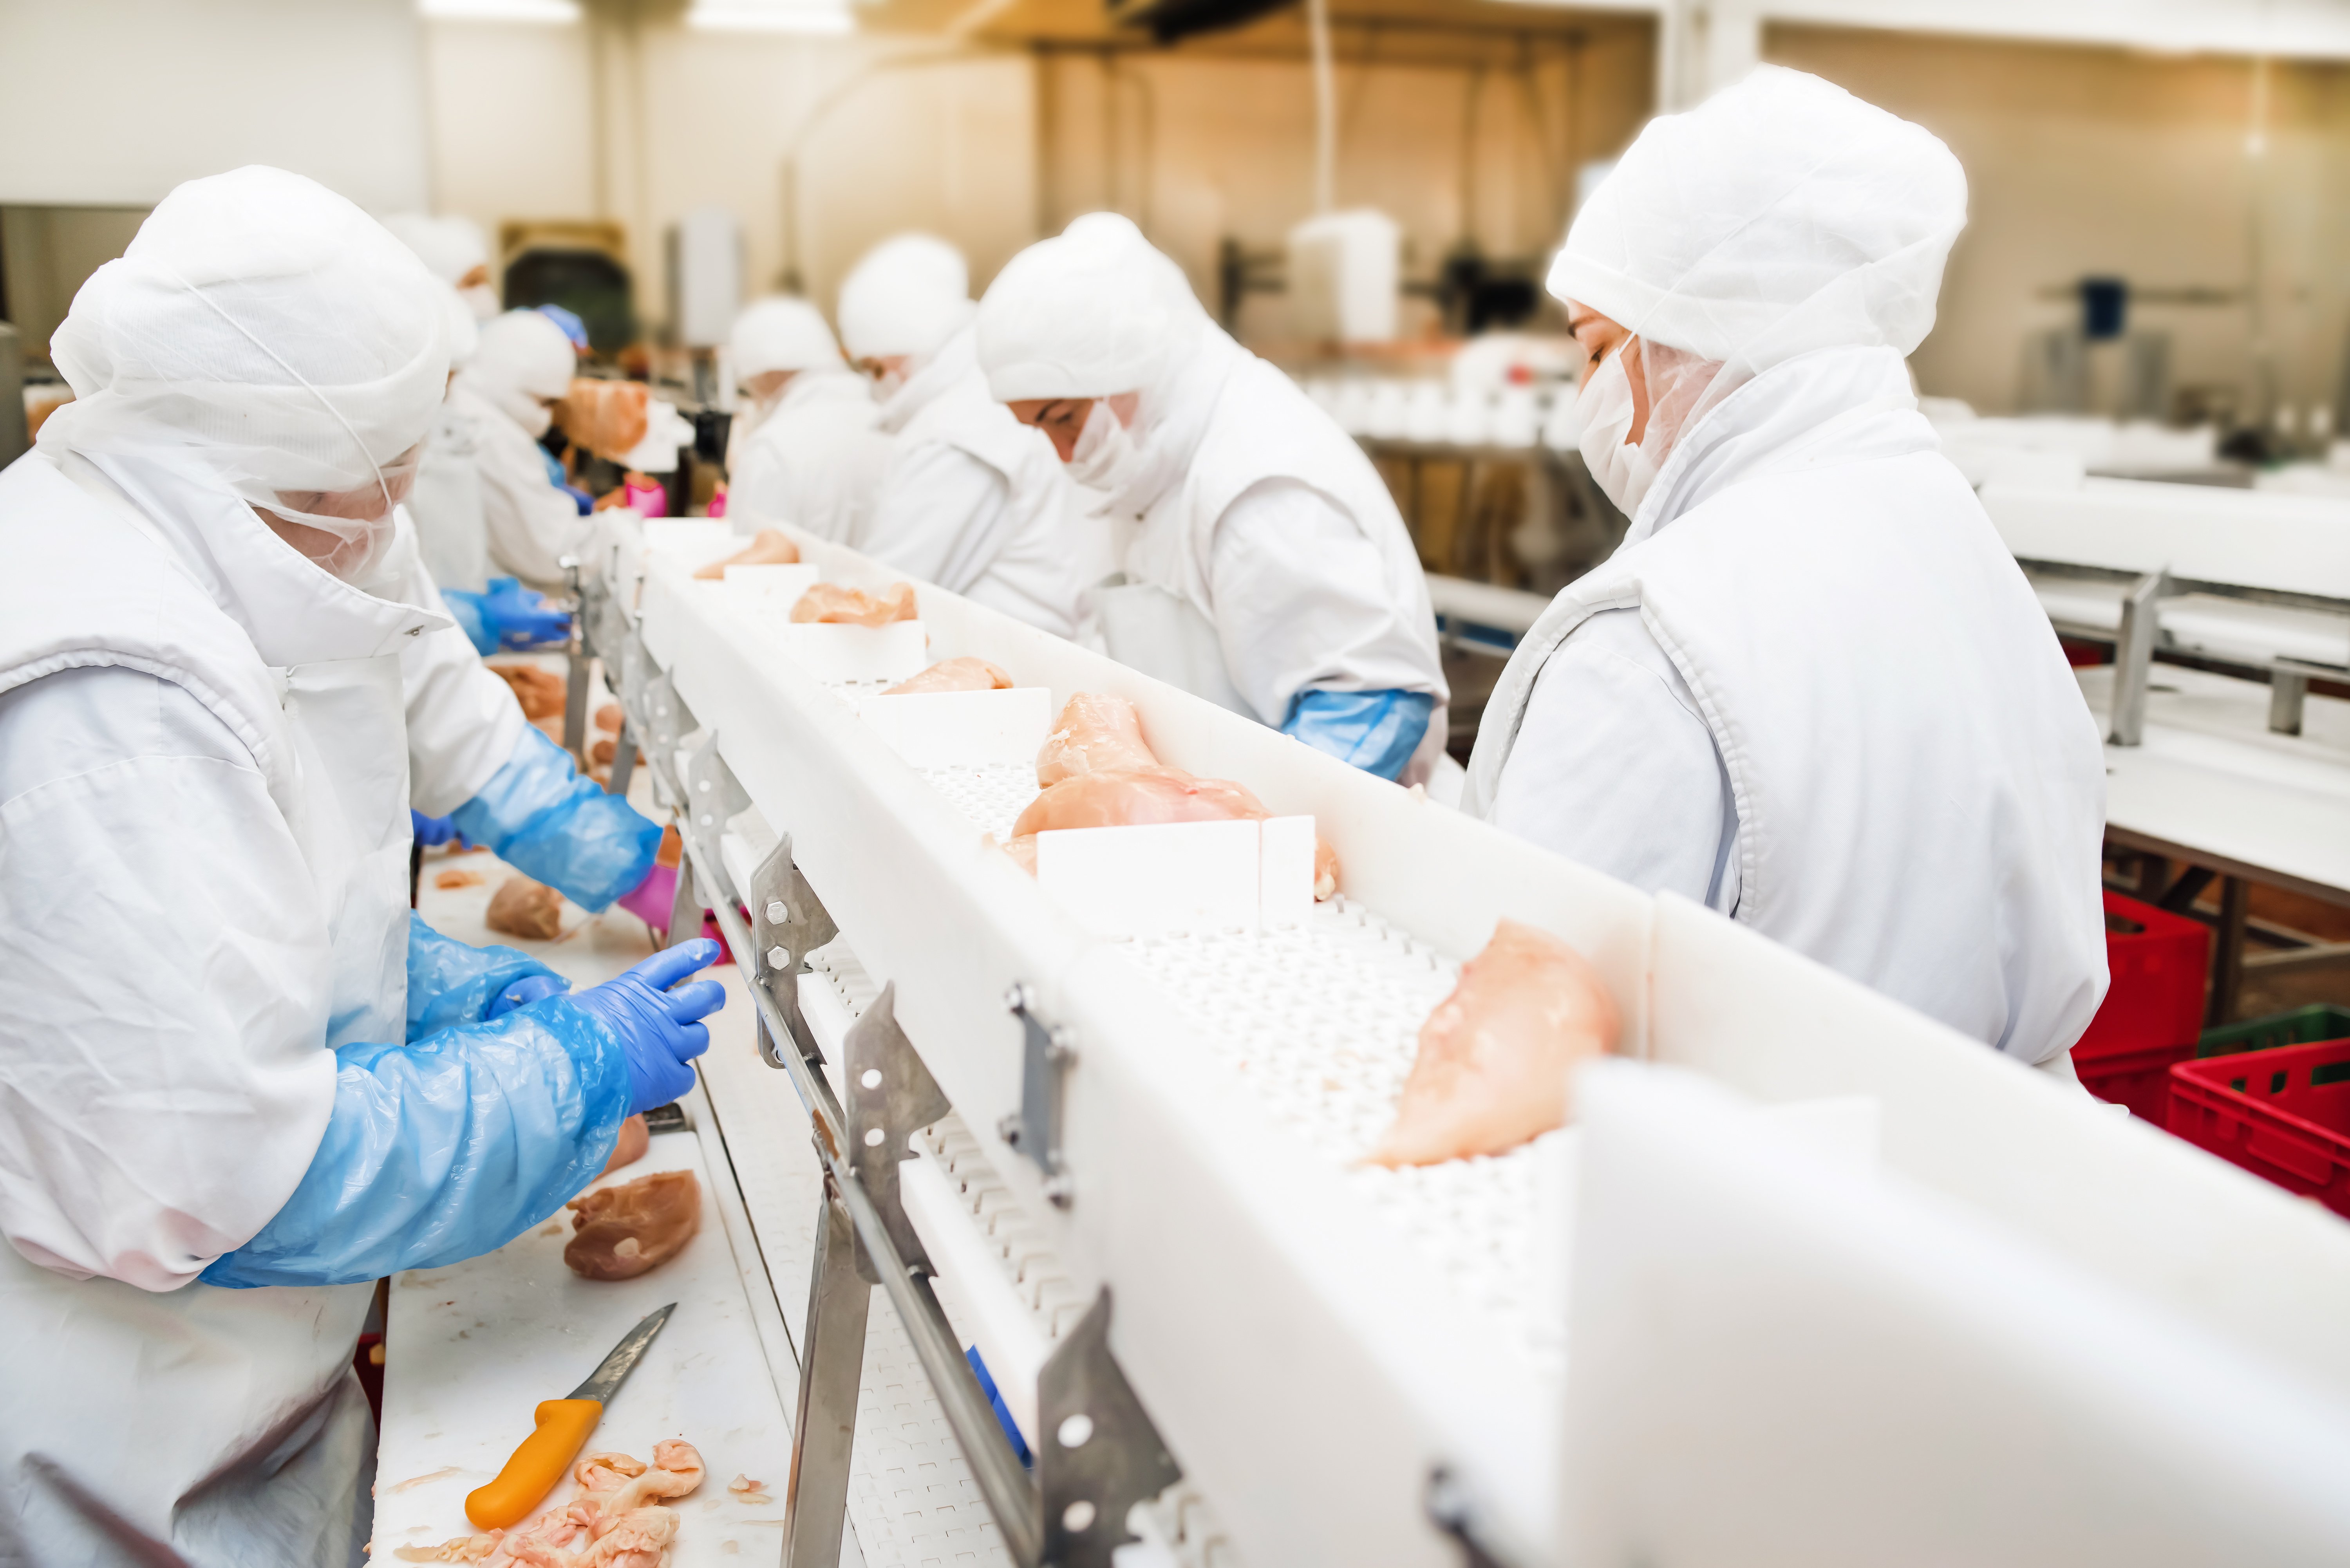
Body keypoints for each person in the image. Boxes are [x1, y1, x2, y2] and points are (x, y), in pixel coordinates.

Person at [0, 166, 724, 1564]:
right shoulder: (103, 693)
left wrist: (422, 985)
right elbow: (211, 1176)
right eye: (387, 469)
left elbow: (232, 939)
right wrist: (563, 1079)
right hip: (124, 1432)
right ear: (278, 443)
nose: (402, 509)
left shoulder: (213, 521)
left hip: (242, 1375)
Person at [1460, 67, 2107, 1067]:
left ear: (1685, 346)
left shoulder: (1653, 638)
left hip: (1748, 1181)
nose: (1586, 395)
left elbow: (1530, 1026)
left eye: (1596, 350)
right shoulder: (1957, 546)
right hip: (1992, 1169)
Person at [975, 213, 1449, 785]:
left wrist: (1248, 827)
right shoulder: (1153, 460)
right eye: (1038, 430)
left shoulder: (1256, 479)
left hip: (1335, 847)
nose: (1063, 454)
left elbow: (1375, 700)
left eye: (1065, 420)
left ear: (1134, 370)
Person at [839, 234, 1107, 638]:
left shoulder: (957, 431)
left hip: (1011, 666)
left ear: (908, 350)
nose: (878, 385)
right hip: (1047, 648)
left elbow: (885, 594)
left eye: (876, 369)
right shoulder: (978, 396)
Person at [725, 295, 890, 544]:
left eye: (748, 387)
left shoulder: (772, 448)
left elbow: (748, 560)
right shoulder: (885, 418)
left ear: (763, 375)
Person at [452, 308, 592, 589]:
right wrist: (619, 532)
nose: (548, 418)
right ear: (515, 381)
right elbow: (552, 551)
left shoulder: (464, 404)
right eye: (544, 403)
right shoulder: (492, 433)